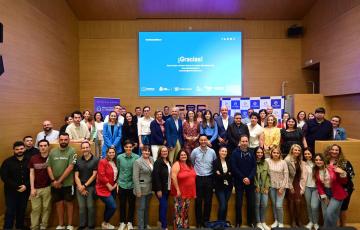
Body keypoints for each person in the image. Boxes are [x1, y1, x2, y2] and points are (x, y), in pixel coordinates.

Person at [47, 132, 77, 230]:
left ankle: (70, 224)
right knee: (59, 204)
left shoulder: (72, 151)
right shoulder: (52, 151)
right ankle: (61, 224)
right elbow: (48, 167)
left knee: (69, 204)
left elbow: (70, 167)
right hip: (55, 184)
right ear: (59, 140)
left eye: (65, 139)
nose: (63, 141)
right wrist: (53, 181)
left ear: (68, 140)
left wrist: (59, 181)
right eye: (62, 139)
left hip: (68, 184)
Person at [1, 141, 30, 230]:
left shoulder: (30, 160)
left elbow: (32, 175)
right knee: (10, 211)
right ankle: (7, 227)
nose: (19, 151)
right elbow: (4, 177)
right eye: (17, 149)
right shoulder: (7, 162)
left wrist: (25, 185)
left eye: (21, 149)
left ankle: (19, 226)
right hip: (11, 191)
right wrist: (16, 187)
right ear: (14, 150)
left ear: (24, 149)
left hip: (25, 190)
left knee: (22, 210)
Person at [313, 153, 347, 228]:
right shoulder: (316, 171)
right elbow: (318, 184)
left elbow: (344, 182)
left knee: (330, 212)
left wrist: (343, 173)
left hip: (337, 193)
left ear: (324, 160)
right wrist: (323, 196)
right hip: (325, 192)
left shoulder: (332, 168)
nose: (318, 161)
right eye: (316, 160)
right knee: (326, 214)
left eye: (320, 159)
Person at [324, 144, 355, 227]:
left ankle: (343, 226)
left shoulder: (344, 162)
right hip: (330, 189)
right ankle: (336, 226)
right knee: (333, 210)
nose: (334, 151)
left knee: (343, 208)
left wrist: (342, 172)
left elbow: (352, 175)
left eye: (336, 150)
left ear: (339, 152)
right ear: (329, 151)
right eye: (332, 149)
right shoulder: (326, 161)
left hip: (345, 189)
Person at [190, 135, 217, 227]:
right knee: (198, 201)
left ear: (207, 141)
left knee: (208, 201)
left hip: (209, 178)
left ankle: (206, 221)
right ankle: (198, 222)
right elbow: (192, 162)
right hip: (198, 178)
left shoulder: (212, 152)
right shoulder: (195, 151)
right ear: (199, 141)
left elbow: (214, 163)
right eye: (201, 140)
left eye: (205, 140)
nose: (203, 141)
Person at [231, 135, 256, 228]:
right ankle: (238, 222)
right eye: (243, 141)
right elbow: (234, 167)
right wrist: (243, 178)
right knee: (239, 203)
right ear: (239, 142)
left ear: (248, 142)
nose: (244, 143)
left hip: (250, 181)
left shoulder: (252, 152)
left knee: (251, 203)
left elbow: (254, 167)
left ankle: (251, 222)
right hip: (239, 181)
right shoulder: (235, 152)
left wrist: (249, 178)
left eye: (246, 141)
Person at [74, 141, 99, 230]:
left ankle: (91, 225)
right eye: (83, 148)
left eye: (87, 147)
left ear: (90, 148)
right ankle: (82, 225)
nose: (85, 149)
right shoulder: (78, 160)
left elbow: (94, 175)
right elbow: (76, 175)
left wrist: (84, 186)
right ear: (81, 149)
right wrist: (80, 187)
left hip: (91, 187)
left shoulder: (96, 160)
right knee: (81, 207)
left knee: (90, 206)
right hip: (79, 187)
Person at [29, 139, 52, 230]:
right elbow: (31, 173)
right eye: (41, 146)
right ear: (38, 147)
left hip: (47, 187)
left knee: (46, 208)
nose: (43, 147)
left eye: (45, 145)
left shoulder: (52, 157)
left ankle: (43, 226)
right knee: (35, 209)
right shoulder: (33, 158)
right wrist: (32, 188)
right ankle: (34, 227)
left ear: (48, 146)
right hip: (36, 188)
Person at [116, 140, 139, 230]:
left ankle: (130, 222)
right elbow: (118, 170)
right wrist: (117, 183)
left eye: (130, 147)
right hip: (122, 184)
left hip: (132, 185)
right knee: (122, 204)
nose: (128, 148)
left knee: (132, 204)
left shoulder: (137, 157)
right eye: (127, 147)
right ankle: (122, 222)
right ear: (124, 148)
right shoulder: (119, 157)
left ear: (132, 147)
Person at [171, 150, 196, 229]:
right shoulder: (177, 164)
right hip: (180, 192)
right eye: (181, 155)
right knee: (179, 212)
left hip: (188, 192)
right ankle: (178, 227)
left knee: (185, 211)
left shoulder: (189, 164)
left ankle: (185, 226)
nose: (183, 156)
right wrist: (177, 189)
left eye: (185, 154)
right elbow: (173, 177)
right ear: (179, 156)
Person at [284, 144, 307, 227]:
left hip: (298, 182)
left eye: (298, 150)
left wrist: (302, 186)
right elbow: (285, 175)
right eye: (295, 150)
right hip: (290, 182)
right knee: (291, 201)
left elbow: (303, 174)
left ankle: (299, 219)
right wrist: (290, 186)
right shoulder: (287, 160)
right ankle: (293, 221)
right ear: (292, 150)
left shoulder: (300, 160)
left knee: (298, 201)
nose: (297, 152)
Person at [265, 147, 289, 228]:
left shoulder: (283, 162)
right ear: (271, 153)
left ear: (280, 154)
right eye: (274, 152)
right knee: (274, 204)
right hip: (271, 186)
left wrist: (282, 187)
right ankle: (276, 220)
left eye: (277, 153)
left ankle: (281, 222)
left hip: (281, 186)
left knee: (279, 205)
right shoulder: (267, 161)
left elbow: (286, 176)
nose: (276, 154)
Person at [96, 147, 118, 229]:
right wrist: (109, 186)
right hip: (103, 188)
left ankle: (106, 224)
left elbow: (115, 175)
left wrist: (115, 185)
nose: (112, 154)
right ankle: (105, 222)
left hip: (113, 188)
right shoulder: (102, 161)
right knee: (113, 207)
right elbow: (101, 175)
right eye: (110, 152)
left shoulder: (114, 162)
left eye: (113, 152)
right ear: (107, 153)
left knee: (108, 207)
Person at [133, 145, 154, 230]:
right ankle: (141, 227)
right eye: (145, 151)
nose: (147, 152)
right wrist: (138, 191)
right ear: (142, 151)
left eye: (148, 151)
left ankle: (145, 225)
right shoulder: (137, 161)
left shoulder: (151, 159)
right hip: (141, 189)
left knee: (146, 208)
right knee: (141, 208)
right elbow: (135, 177)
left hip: (150, 188)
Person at [152, 146, 172, 230]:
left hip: (168, 188)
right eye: (163, 151)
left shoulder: (169, 162)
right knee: (164, 206)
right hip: (161, 189)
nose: (164, 153)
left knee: (162, 206)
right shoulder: (157, 162)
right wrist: (158, 190)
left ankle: (160, 222)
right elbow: (156, 177)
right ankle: (164, 226)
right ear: (160, 152)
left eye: (166, 151)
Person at [213, 146, 233, 221]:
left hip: (228, 187)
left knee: (225, 205)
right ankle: (219, 222)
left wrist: (221, 174)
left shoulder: (229, 161)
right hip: (219, 187)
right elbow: (216, 175)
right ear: (219, 152)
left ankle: (223, 222)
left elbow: (231, 173)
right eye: (222, 151)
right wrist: (227, 174)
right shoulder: (215, 162)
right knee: (223, 205)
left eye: (225, 151)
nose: (224, 153)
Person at [254, 146, 271, 230]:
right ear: (255, 153)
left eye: (261, 152)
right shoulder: (252, 162)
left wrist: (267, 187)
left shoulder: (266, 162)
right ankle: (258, 222)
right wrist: (256, 185)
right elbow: (253, 176)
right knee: (257, 204)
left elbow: (268, 176)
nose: (260, 154)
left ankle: (263, 221)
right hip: (256, 186)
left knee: (264, 204)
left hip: (264, 186)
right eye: (258, 152)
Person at [303, 149, 320, 230]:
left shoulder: (317, 163)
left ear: (312, 154)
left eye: (309, 154)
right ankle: (311, 222)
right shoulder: (303, 164)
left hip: (316, 188)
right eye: (305, 154)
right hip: (307, 187)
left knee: (314, 206)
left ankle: (315, 222)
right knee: (309, 205)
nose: (307, 155)